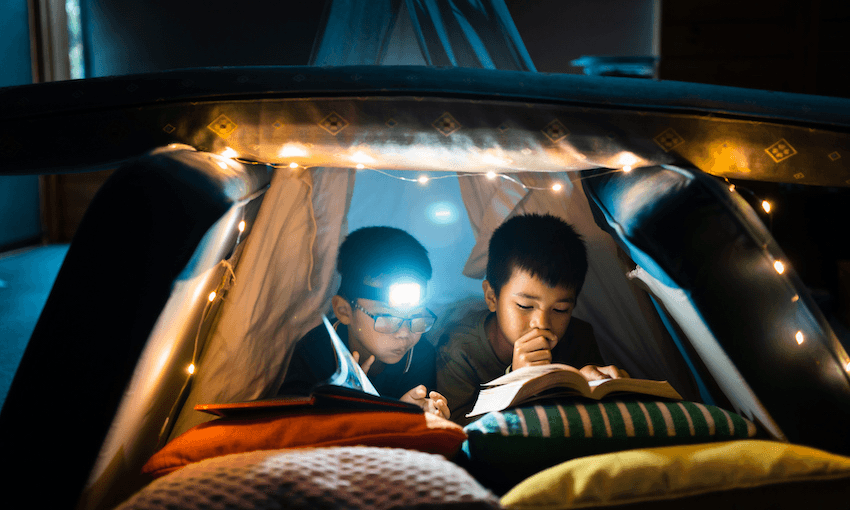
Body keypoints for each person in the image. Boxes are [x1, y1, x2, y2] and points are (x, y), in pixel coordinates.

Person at [436, 213, 628, 425]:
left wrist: (596, 384)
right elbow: (454, 427)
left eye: (561, 309)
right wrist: (515, 381)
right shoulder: (459, 349)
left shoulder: (578, 337)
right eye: (525, 306)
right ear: (492, 297)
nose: (542, 323)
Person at [278, 226, 450, 418]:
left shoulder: (419, 355)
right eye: (387, 318)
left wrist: (414, 418)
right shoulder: (317, 351)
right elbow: (285, 427)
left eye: (417, 317)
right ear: (344, 311)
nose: (404, 332)